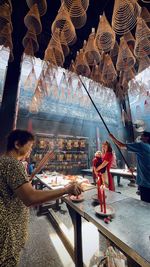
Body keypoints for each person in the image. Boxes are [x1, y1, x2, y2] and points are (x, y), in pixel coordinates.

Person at [0, 129, 82, 267]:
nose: (30, 150)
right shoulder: (12, 164)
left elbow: (19, 189)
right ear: (17, 144)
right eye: (29, 146)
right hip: (9, 231)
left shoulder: (4, 161)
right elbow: (30, 198)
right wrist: (65, 190)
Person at [109, 131, 150, 203]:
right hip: (146, 181)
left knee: (145, 206)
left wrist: (112, 137)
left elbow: (121, 146)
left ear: (147, 138)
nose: (140, 137)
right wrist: (135, 170)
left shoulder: (141, 146)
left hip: (146, 183)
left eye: (142, 135)